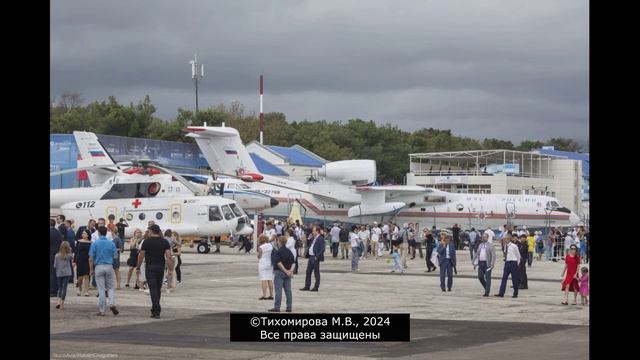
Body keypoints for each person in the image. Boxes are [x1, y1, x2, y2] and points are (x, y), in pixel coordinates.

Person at [136, 224, 173, 318]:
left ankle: (156, 309)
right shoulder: (164, 242)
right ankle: (155, 309)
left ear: (151, 231)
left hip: (150, 267)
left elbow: (141, 256)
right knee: (158, 288)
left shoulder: (146, 242)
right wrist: (171, 269)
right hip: (160, 267)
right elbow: (169, 257)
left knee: (153, 288)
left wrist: (138, 267)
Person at [88, 226, 119, 316]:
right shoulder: (111, 243)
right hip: (109, 266)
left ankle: (102, 310)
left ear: (98, 233)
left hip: (99, 266)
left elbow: (91, 258)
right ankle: (112, 303)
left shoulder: (95, 243)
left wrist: (91, 269)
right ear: (106, 233)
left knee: (101, 289)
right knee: (110, 287)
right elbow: (115, 256)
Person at [269, 236, 296, 312]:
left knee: (278, 291)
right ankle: (289, 307)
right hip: (288, 274)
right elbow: (293, 262)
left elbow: (279, 263)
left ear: (279, 242)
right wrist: (290, 271)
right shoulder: (289, 251)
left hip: (280, 273)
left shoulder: (278, 252)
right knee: (288, 291)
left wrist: (285, 271)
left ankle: (277, 307)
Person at [300, 226, 324, 292]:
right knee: (308, 272)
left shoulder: (320, 238)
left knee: (316, 272)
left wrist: (317, 256)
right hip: (310, 257)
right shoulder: (313, 238)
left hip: (315, 257)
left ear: (317, 231)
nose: (312, 232)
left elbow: (322, 249)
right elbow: (309, 245)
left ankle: (316, 286)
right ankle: (307, 286)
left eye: (314, 231)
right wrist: (308, 239)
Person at [54, 241, 73, 309]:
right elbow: (72, 256)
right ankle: (62, 303)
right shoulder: (69, 256)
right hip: (67, 273)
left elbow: (55, 265)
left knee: (60, 287)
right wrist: (70, 249)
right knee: (64, 287)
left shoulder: (57, 255)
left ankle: (58, 301)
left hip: (59, 273)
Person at [74, 230, 93, 296]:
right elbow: (76, 252)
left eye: (84, 233)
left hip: (87, 260)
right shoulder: (79, 242)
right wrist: (74, 261)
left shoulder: (91, 243)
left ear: (88, 235)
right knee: (80, 277)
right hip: (80, 260)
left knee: (87, 276)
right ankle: (79, 289)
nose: (83, 234)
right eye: (82, 233)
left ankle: (86, 291)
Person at [257, 235, 274, 300]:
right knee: (269, 279)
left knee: (263, 279)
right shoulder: (270, 245)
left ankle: (264, 295)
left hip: (263, 263)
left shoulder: (261, 247)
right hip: (269, 263)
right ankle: (271, 295)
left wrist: (257, 254)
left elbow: (259, 256)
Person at [50, 219, 63, 297]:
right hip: (57, 254)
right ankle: (55, 290)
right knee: (55, 273)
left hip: (51, 254)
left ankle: (51, 290)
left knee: (51, 273)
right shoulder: (58, 232)